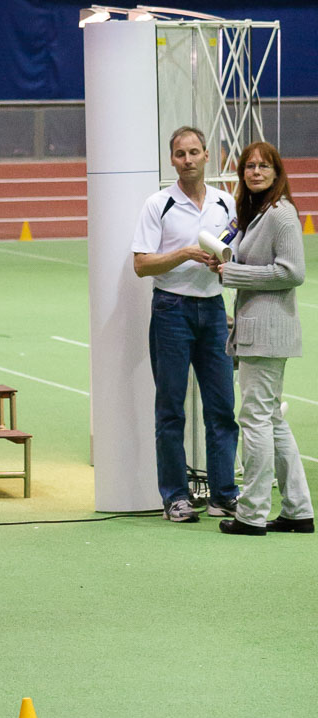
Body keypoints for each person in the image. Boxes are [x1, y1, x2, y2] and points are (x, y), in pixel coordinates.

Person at [132, 125, 239, 522]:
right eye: (181, 154)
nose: (188, 160)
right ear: (172, 159)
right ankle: (175, 497)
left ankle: (224, 494)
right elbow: (141, 264)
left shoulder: (226, 203)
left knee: (222, 408)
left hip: (213, 312)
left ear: (208, 156)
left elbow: (236, 254)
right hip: (171, 311)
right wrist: (184, 254)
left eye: (195, 152)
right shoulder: (158, 204)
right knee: (171, 410)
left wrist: (222, 264)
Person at [214, 142, 314, 536]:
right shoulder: (255, 215)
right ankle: (298, 509)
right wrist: (222, 262)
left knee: (254, 419)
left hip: (268, 333)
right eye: (249, 166)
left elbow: (293, 272)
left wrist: (233, 276)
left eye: (263, 166)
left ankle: (252, 513)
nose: (255, 172)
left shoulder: (281, 214)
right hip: (258, 330)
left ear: (277, 172)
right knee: (270, 420)